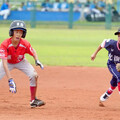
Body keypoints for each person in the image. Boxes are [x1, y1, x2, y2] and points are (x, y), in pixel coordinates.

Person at [0, 20, 45, 108]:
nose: (18, 34)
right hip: (7, 63)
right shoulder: (5, 44)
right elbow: (4, 63)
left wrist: (36, 60)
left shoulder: (25, 44)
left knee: (33, 75)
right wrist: (10, 80)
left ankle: (33, 100)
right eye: (16, 31)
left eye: (21, 32)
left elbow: (33, 51)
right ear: (12, 32)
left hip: (21, 61)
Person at [91, 28, 120, 107]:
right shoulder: (112, 43)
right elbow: (102, 44)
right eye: (119, 35)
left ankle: (109, 92)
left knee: (115, 79)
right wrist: (94, 53)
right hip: (111, 64)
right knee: (119, 77)